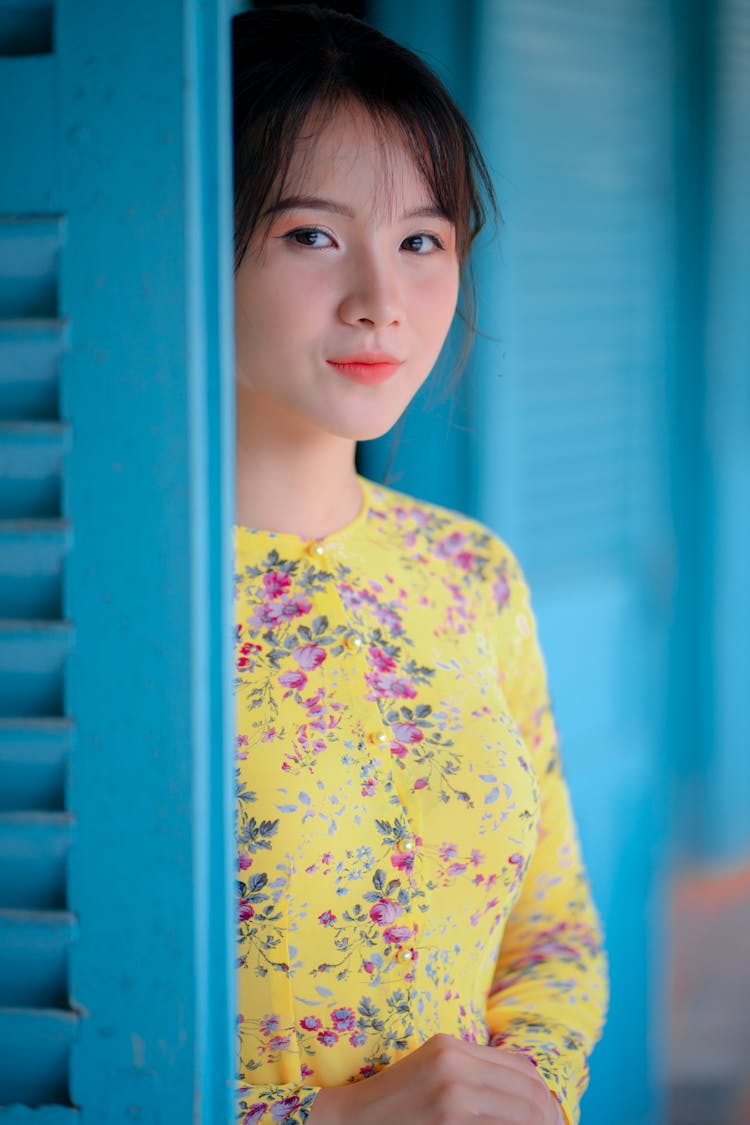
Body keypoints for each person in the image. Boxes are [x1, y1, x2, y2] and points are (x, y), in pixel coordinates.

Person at [232, 7, 608, 1124]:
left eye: (422, 241)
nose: (381, 302)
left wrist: (530, 1085)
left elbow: (556, 926)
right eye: (311, 234)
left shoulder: (470, 570)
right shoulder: (75, 609)